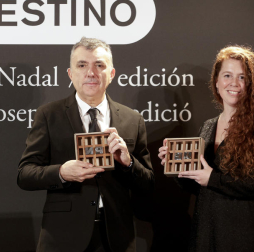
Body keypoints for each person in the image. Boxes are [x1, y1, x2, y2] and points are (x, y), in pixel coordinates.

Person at [18, 37, 154, 252]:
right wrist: (62, 172)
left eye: (99, 65)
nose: (91, 72)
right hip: (62, 235)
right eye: (82, 65)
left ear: (111, 74)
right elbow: (25, 174)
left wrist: (128, 164)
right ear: (71, 74)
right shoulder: (48, 115)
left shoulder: (132, 119)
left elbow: (148, 183)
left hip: (117, 237)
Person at [158, 46, 254, 251]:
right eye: (227, 75)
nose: (234, 83)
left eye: (242, 77)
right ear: (217, 82)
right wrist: (176, 166)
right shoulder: (208, 126)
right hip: (207, 229)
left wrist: (214, 178)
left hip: (245, 232)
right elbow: (198, 185)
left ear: (252, 85)